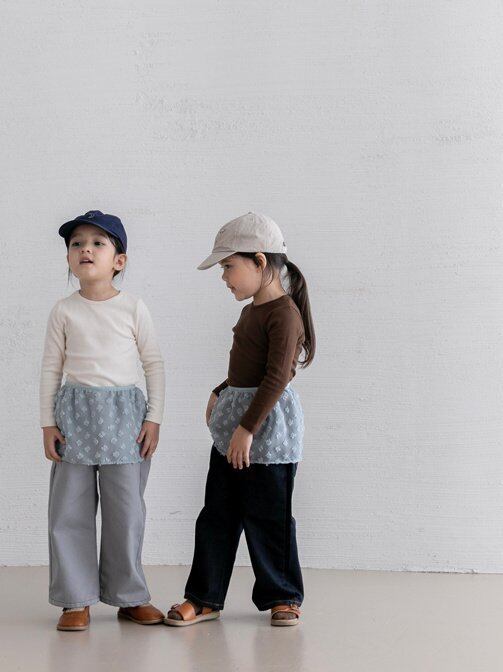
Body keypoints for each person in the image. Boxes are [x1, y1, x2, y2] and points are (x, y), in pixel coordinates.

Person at [165, 212, 315, 627]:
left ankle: (283, 595)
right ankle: (204, 597)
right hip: (237, 428)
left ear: (260, 261)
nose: (224, 276)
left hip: (265, 432)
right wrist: (221, 389)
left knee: (270, 517)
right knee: (218, 513)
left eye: (229, 266)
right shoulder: (252, 311)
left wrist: (247, 428)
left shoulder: (284, 314)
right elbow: (247, 368)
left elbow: (277, 377)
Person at [40, 210, 165, 631]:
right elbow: (50, 369)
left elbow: (153, 364)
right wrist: (47, 423)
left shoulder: (133, 307)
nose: (86, 249)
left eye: (98, 243)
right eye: (77, 243)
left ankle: (129, 596)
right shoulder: (63, 311)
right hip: (73, 420)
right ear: (69, 258)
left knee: (126, 513)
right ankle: (75, 599)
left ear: (119, 260)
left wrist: (154, 418)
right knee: (69, 511)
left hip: (125, 421)